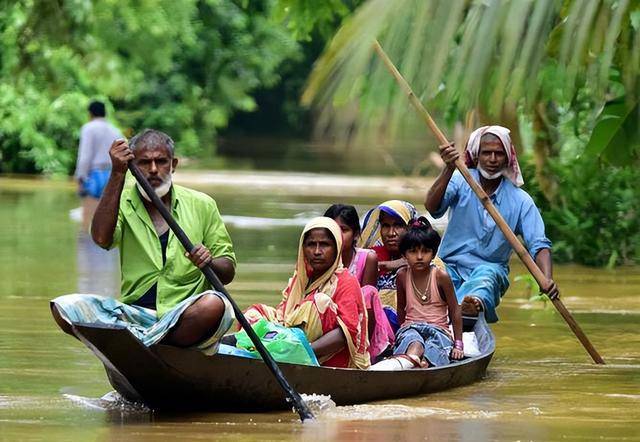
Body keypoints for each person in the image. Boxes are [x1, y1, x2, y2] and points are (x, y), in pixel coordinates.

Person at [52, 129, 236, 353]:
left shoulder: (202, 204)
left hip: (185, 317)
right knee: (65, 307)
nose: (153, 170)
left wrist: (209, 261)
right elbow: (101, 239)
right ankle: (150, 345)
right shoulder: (121, 199)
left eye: (161, 161)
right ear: (133, 167)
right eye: (144, 163)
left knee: (214, 305)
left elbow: (227, 271)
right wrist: (117, 174)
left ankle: (148, 348)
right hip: (136, 317)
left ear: (173, 164)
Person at [424, 125, 559, 323]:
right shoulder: (461, 182)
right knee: (433, 282)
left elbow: (539, 244)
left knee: (486, 276)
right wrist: (448, 169)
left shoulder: (521, 201)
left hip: (489, 271)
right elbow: (433, 208)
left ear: (507, 158)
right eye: (487, 153)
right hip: (448, 265)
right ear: (477, 156)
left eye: (499, 154)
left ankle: (470, 306)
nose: (493, 159)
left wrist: (546, 279)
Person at [243, 217, 370, 369]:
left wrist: (301, 351)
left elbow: (347, 333)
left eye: (324, 245)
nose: (317, 251)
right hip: (292, 341)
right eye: (311, 245)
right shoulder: (301, 279)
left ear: (336, 248)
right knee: (252, 314)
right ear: (303, 248)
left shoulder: (345, 281)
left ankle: (284, 353)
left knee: (318, 302)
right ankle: (268, 351)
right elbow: (283, 316)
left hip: (329, 359)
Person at [371, 218, 463, 370]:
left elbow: (455, 309)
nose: (419, 257)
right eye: (413, 251)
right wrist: (400, 334)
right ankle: (413, 360)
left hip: (438, 330)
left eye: (425, 251)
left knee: (434, 348)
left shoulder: (441, 277)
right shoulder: (402, 275)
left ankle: (418, 363)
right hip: (411, 327)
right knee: (413, 341)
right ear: (404, 255)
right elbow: (401, 308)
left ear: (433, 254)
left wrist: (458, 344)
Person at [324, 204, 394, 361]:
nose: (338, 235)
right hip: (328, 318)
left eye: (344, 230)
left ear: (355, 234)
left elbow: (364, 304)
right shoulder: (320, 256)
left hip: (358, 322)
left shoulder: (367, 258)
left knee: (367, 293)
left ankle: (361, 353)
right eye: (333, 230)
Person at [358, 200, 418, 308]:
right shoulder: (371, 255)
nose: (391, 233)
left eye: (398, 225)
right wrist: (386, 265)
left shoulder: (426, 258)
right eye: (386, 226)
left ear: (410, 228)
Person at [74, 101, 123, 231]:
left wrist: (80, 178)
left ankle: (85, 246)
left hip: (95, 174)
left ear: (90, 113)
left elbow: (85, 155)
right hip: (112, 174)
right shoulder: (115, 130)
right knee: (108, 215)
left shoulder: (89, 128)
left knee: (88, 215)